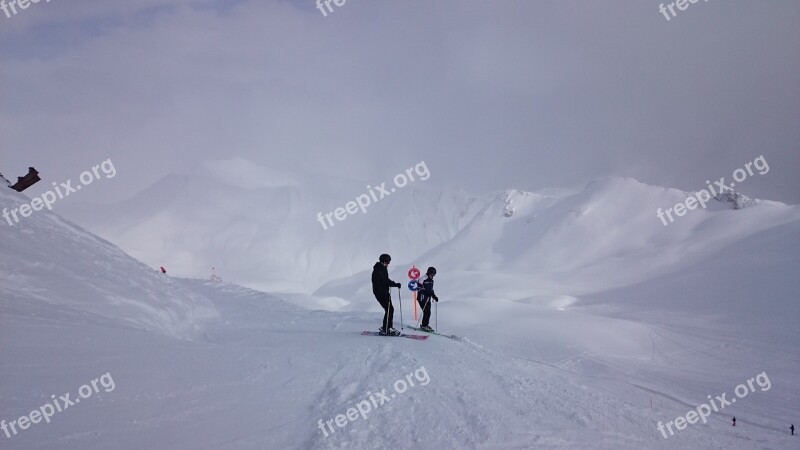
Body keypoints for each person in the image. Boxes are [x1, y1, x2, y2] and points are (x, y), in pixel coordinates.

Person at [371, 254, 402, 336]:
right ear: (383, 261)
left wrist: (395, 284)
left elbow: (386, 280)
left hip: (384, 293)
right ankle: (387, 328)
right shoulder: (378, 270)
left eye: (389, 262)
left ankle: (387, 327)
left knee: (389, 309)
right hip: (380, 293)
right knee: (389, 309)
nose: (388, 264)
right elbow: (379, 284)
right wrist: (384, 292)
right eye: (387, 262)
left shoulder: (383, 269)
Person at [417, 267, 439, 332]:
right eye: (432, 275)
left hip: (427, 299)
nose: (433, 276)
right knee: (426, 311)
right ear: (428, 273)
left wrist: (434, 296)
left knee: (428, 312)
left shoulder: (432, 281)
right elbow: (419, 288)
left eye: (434, 275)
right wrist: (427, 292)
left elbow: (431, 290)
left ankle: (425, 325)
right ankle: (424, 325)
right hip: (422, 298)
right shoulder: (422, 279)